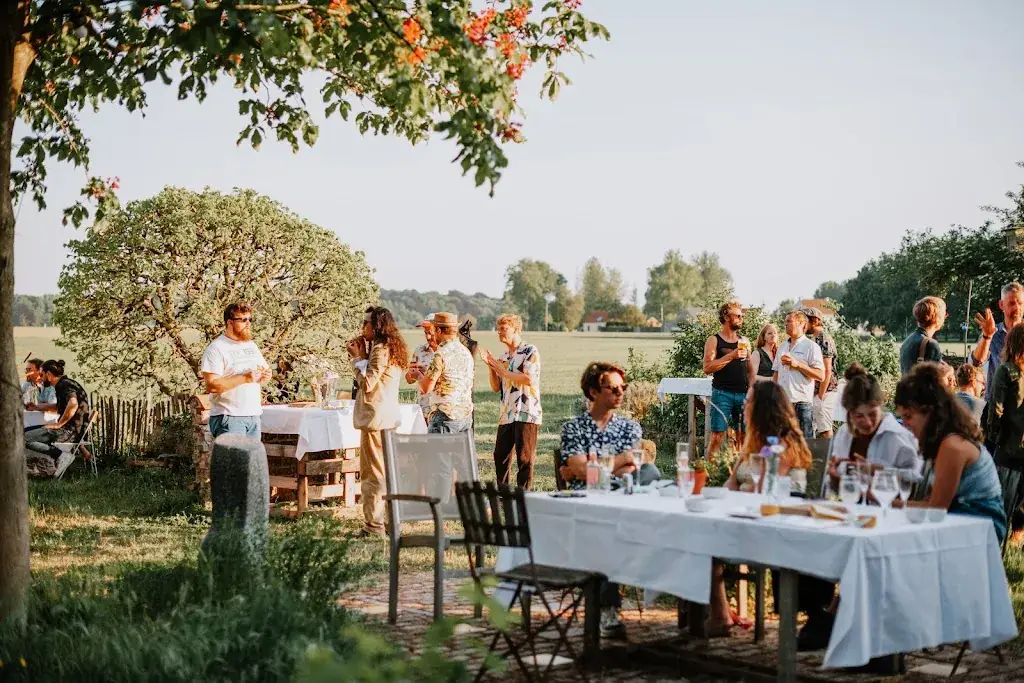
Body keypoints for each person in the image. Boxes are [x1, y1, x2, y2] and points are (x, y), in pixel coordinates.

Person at [559, 361, 659, 639]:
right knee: (607, 534)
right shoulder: (573, 428)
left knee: (650, 472)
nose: (620, 393)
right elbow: (580, 470)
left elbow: (632, 468)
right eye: (612, 388)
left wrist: (593, 466)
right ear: (592, 392)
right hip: (587, 507)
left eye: (622, 387)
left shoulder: (630, 428)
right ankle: (607, 610)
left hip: (625, 500)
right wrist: (618, 461)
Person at [896, 362, 1007, 545]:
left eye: (908, 416)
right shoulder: (944, 440)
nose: (904, 424)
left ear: (930, 413)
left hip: (980, 527)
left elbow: (936, 510)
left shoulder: (951, 445)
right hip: (962, 521)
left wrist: (890, 506)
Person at [348, 306, 408, 538]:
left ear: (377, 326)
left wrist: (356, 359)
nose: (362, 328)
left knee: (373, 474)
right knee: (389, 473)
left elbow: (367, 383)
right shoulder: (390, 347)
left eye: (366, 323)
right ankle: (393, 524)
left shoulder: (381, 349)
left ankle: (373, 526)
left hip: (376, 419)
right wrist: (363, 357)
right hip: (388, 418)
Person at [825, 364, 921, 493]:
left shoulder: (899, 437)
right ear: (849, 412)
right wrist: (833, 478)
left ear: (881, 405)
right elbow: (834, 487)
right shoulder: (843, 434)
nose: (868, 422)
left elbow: (915, 482)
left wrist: (875, 470)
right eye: (859, 416)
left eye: (872, 414)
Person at [480, 314, 542, 490]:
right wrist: (492, 367)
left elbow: (528, 379)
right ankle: (504, 494)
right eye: (498, 329)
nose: (499, 332)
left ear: (516, 329)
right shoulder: (504, 356)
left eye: (504, 329)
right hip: (507, 413)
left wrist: (504, 371)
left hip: (526, 411)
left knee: (524, 457)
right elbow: (495, 387)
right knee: (500, 456)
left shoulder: (530, 351)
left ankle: (524, 495)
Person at [724, 381, 812, 495]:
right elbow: (731, 484)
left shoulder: (785, 443)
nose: (743, 406)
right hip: (748, 504)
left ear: (761, 409)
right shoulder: (755, 440)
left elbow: (765, 490)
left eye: (747, 401)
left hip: (781, 507)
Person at [201, 302, 271, 439]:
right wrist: (244, 378)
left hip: (253, 416)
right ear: (230, 322)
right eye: (243, 320)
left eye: (250, 319)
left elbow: (263, 375)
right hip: (229, 418)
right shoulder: (216, 348)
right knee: (234, 461)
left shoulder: (251, 345)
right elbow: (212, 385)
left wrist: (266, 376)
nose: (248, 323)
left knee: (251, 461)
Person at [986, 323, 1024, 544]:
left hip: (1007, 446)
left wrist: (992, 436)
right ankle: (1016, 536)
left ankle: (993, 547)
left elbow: (996, 408)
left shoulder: (1006, 370)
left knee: (1001, 503)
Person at [23, 360, 90, 478]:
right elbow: (58, 407)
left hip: (69, 431)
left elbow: (73, 404)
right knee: (25, 432)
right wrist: (37, 407)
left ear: (49, 374)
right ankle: (57, 458)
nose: (40, 378)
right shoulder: (66, 383)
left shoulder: (64, 385)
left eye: (42, 375)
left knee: (23, 438)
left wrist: (59, 424)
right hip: (73, 430)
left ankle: (61, 455)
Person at [413, 312, 474, 433]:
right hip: (465, 416)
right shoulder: (465, 352)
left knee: (436, 452)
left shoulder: (441, 354)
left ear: (439, 331)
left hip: (445, 416)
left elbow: (426, 388)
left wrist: (418, 375)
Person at [702, 301, 749, 458]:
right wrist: (731, 356)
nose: (741, 318)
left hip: (743, 394)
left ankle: (738, 472)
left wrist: (753, 390)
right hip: (722, 394)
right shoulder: (714, 340)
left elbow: (750, 369)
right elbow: (707, 368)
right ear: (726, 317)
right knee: (717, 436)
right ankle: (710, 473)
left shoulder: (745, 341)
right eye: (738, 315)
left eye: (742, 316)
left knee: (743, 436)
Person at [772, 310, 824, 439]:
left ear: (801, 323)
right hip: (782, 403)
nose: (785, 324)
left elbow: (821, 375)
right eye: (785, 322)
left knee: (804, 444)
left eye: (789, 321)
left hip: (802, 404)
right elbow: (776, 374)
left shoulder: (811, 347)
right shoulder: (782, 347)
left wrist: (798, 365)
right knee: (782, 444)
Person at [971, 282, 1024, 399]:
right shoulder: (992, 332)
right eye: (1011, 303)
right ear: (1001, 305)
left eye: (1020, 303)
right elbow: (976, 362)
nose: (1016, 307)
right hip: (996, 405)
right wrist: (987, 336)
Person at [805, 307, 838, 439]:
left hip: (825, 391)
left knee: (824, 429)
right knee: (813, 429)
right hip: (817, 392)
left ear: (815, 321)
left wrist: (820, 396)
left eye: (805, 321)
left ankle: (828, 457)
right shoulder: (815, 339)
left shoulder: (823, 338)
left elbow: (827, 369)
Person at [899, 296, 946, 376]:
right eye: (944, 314)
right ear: (937, 319)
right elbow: (935, 381)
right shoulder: (931, 344)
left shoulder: (907, 341)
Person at [406, 315, 438, 421]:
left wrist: (427, 374)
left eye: (430, 332)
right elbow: (409, 379)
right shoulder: (419, 350)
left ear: (439, 330)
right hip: (423, 409)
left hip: (441, 411)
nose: (428, 337)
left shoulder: (447, 352)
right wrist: (413, 374)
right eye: (425, 333)